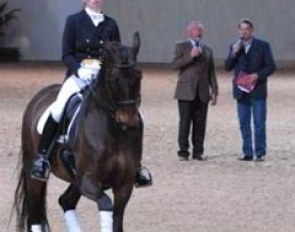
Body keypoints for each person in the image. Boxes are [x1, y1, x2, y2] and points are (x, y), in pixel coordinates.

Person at [31, 0, 152, 187]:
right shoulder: (74, 21)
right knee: (58, 108)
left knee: (134, 115)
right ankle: (43, 158)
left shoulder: (111, 24)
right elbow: (66, 54)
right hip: (78, 76)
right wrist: (78, 69)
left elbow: (117, 54)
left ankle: (136, 166)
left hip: (104, 80)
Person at [224, 19, 276, 161]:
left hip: (257, 90)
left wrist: (257, 75)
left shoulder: (263, 46)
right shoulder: (234, 46)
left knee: (259, 123)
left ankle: (259, 152)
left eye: (247, 29)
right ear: (238, 31)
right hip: (241, 92)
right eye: (241, 29)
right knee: (244, 123)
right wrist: (234, 53)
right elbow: (227, 66)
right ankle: (247, 152)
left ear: (252, 30)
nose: (244, 31)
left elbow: (271, 66)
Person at [172, 21, 218, 161]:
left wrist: (214, 90)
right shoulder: (181, 46)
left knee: (200, 123)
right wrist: (190, 56)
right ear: (189, 32)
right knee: (185, 122)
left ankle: (198, 151)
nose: (199, 32)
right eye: (196, 30)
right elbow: (175, 65)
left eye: (200, 30)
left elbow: (211, 72)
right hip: (186, 91)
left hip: (202, 91)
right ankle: (183, 152)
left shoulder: (208, 49)